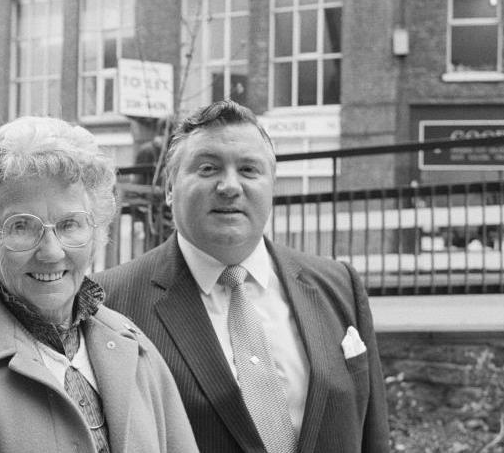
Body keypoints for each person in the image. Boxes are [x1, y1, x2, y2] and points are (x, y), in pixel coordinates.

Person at [94, 101, 389, 453]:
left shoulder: (339, 285)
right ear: (170, 187)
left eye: (249, 169)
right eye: (207, 168)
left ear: (272, 185)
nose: (229, 186)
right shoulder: (109, 304)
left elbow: (373, 434)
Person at [0, 116, 199, 453]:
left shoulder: (136, 348)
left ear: (96, 232)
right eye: (22, 227)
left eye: (70, 224)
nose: (51, 251)